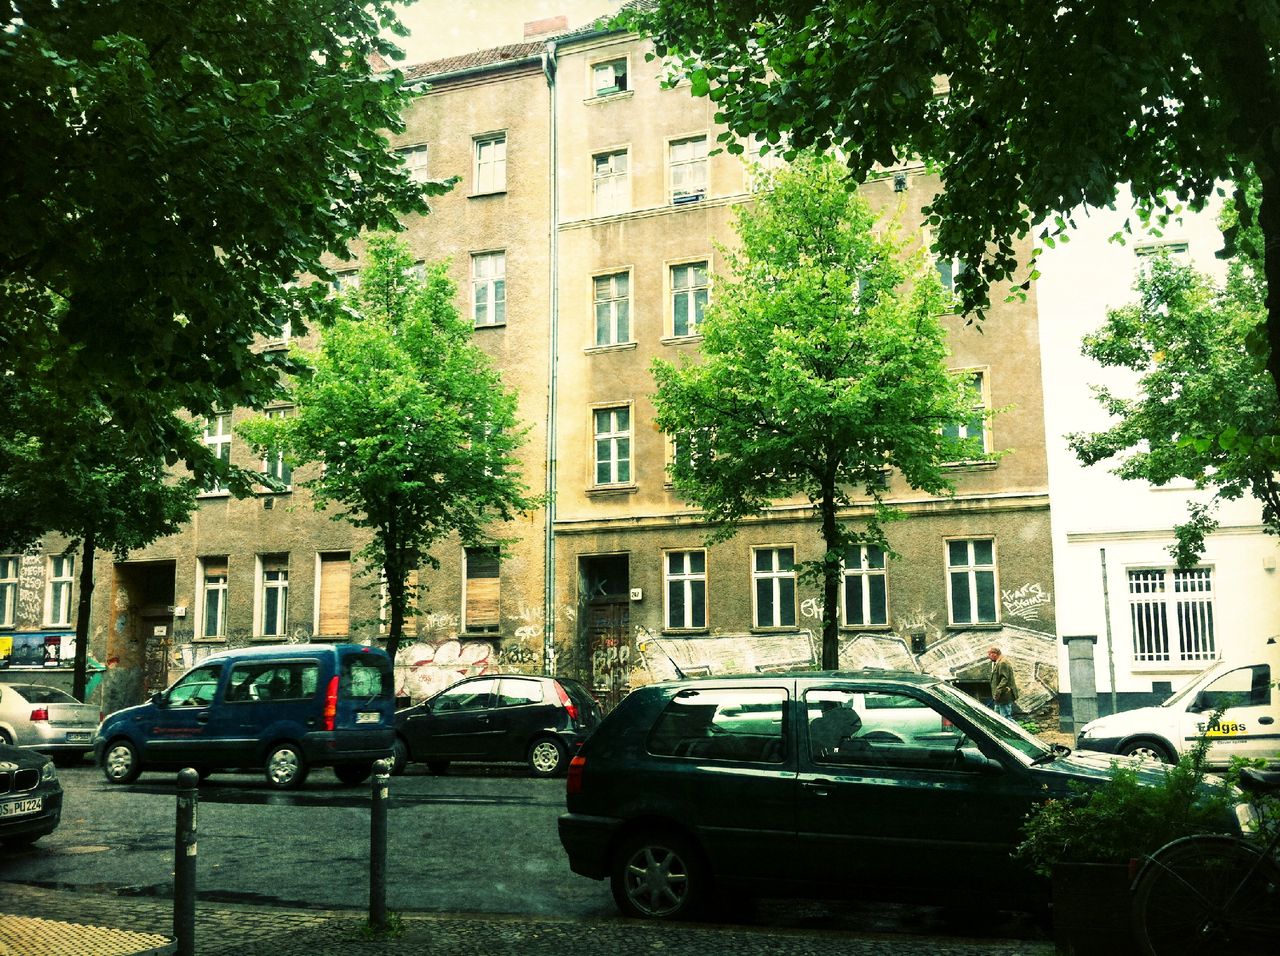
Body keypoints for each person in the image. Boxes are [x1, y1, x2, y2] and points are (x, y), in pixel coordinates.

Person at [988, 646, 1018, 718]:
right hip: (1000, 696)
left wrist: (998, 691)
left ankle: (1017, 729)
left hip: (1004, 695)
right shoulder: (999, 662)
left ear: (994, 654)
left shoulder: (1003, 663)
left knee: (1006, 718)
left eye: (989, 654)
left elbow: (1005, 679)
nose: (989, 657)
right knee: (997, 717)